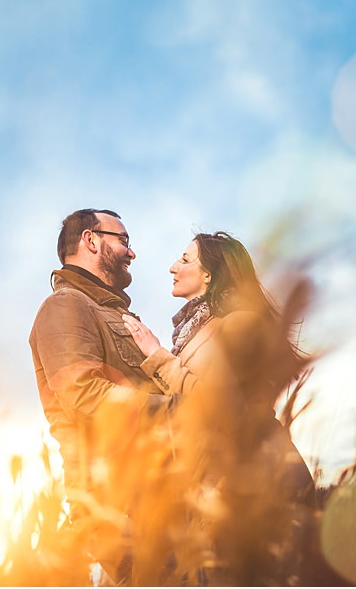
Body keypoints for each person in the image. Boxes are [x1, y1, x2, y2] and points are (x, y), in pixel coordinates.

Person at [120, 232, 315, 582]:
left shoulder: (239, 324)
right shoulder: (197, 333)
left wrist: (156, 356)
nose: (172, 267)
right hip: (223, 493)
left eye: (184, 259)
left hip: (256, 488)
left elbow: (221, 407)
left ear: (208, 274)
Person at [29, 208, 166, 581]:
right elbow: (84, 393)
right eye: (123, 241)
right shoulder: (66, 306)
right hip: (119, 508)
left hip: (150, 499)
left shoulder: (107, 312)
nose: (131, 253)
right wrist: (178, 411)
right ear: (90, 240)